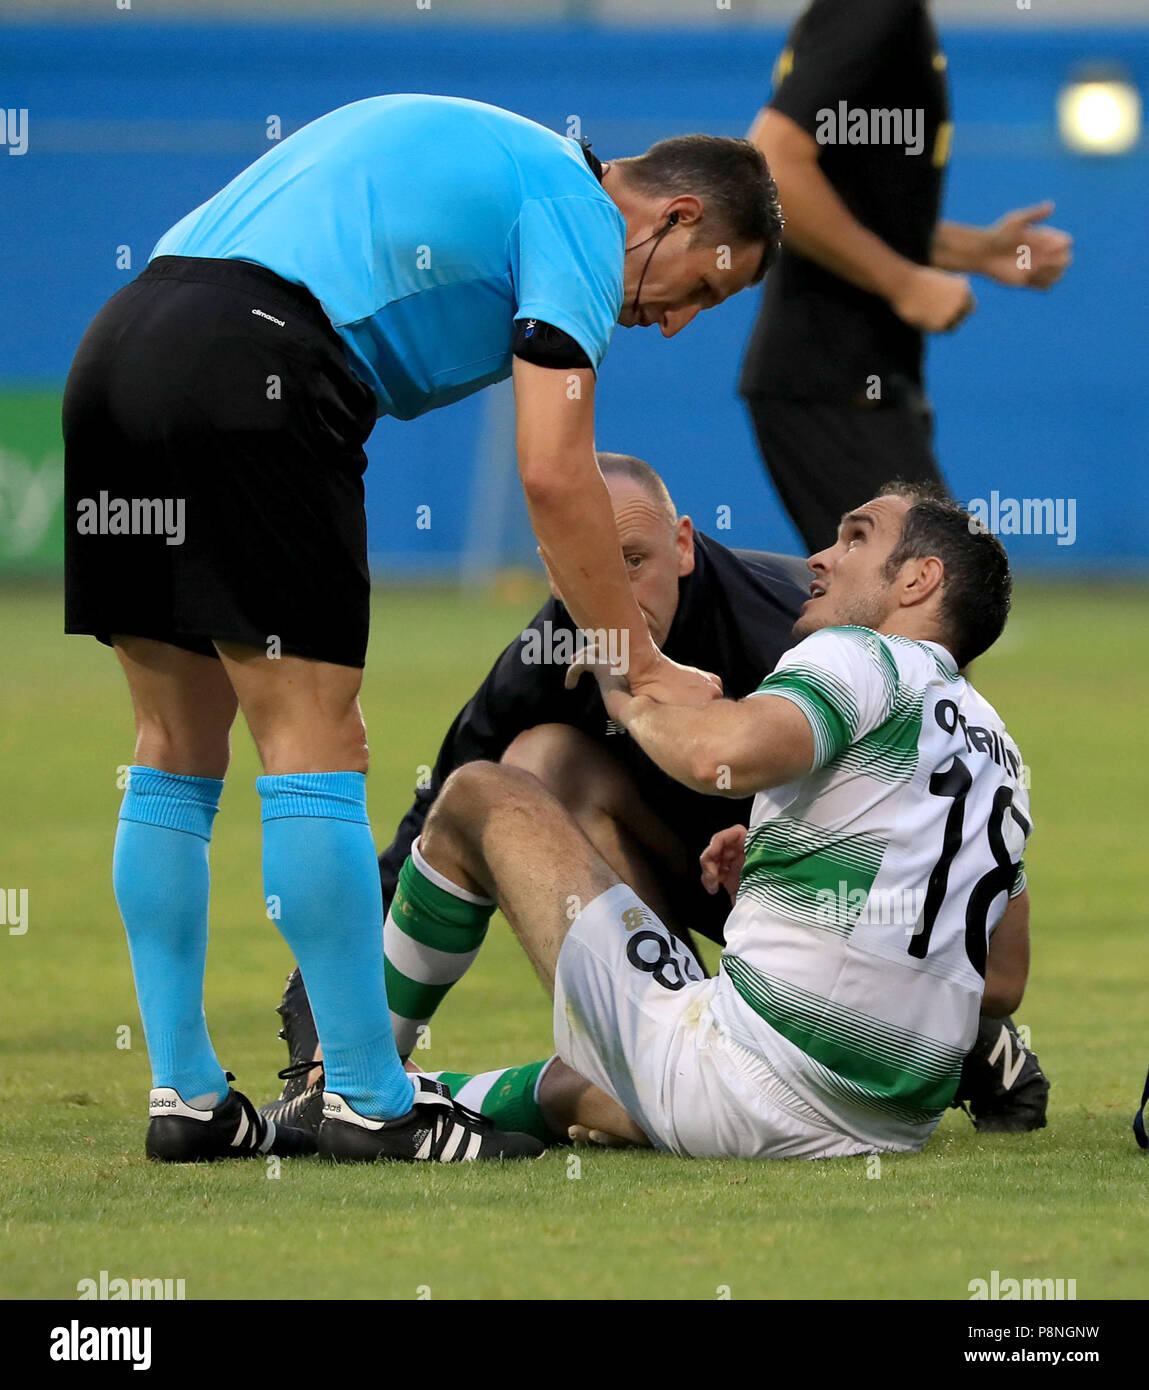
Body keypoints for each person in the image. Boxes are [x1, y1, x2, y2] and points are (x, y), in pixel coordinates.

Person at [63, 93, 783, 1164]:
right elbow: (556, 471)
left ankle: (187, 1093)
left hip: (120, 348)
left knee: (172, 748)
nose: (675, 320)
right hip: (255, 369)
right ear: (674, 216)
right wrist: (635, 667)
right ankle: (368, 1096)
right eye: (704, 289)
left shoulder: (508, 158)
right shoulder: (582, 216)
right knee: (318, 742)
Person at [372, 483, 1036, 1159]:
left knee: (479, 794)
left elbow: (718, 753)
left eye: (856, 538)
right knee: (583, 1085)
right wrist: (801, 879)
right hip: (884, 1126)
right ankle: (435, 1097)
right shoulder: (999, 748)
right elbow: (1004, 982)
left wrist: (625, 695)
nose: (820, 556)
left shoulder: (858, 654)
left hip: (743, 1082)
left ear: (920, 580)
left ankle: (359, 1089)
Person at [739, 0, 1072, 553]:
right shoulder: (874, 9)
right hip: (831, 380)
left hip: (851, 382)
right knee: (922, 601)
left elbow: (851, 200)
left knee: (906, 610)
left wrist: (975, 249)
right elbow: (771, 166)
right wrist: (903, 282)